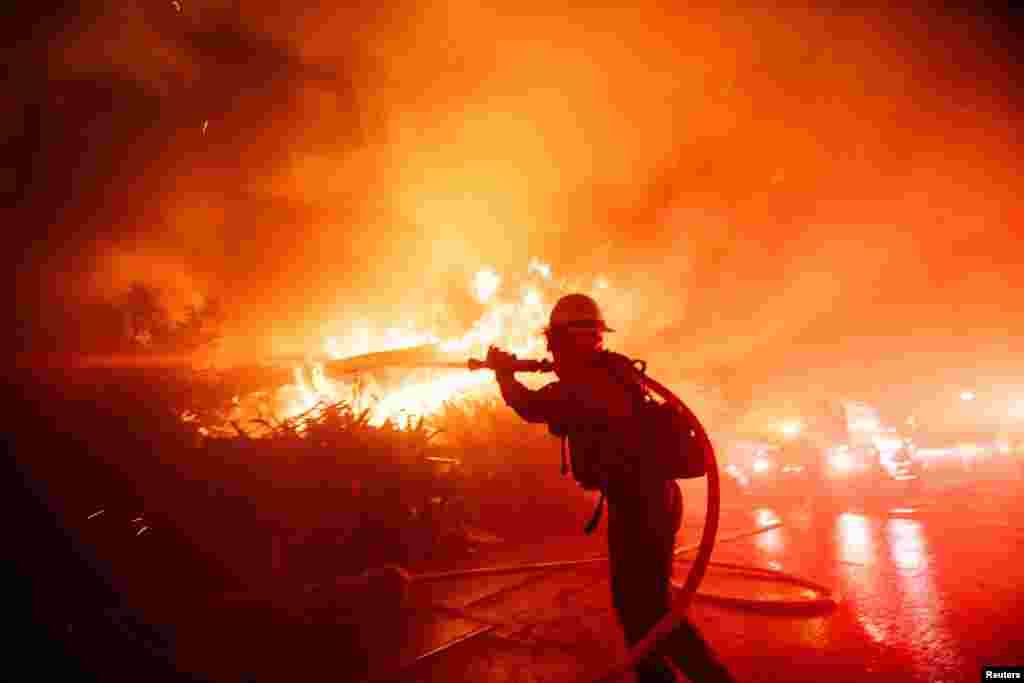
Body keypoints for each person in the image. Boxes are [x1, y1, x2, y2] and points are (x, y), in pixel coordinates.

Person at [487, 293, 737, 683]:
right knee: (643, 607)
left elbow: (532, 406)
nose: (552, 349)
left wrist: (504, 374)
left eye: (555, 341)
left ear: (562, 339)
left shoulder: (586, 383)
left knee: (646, 610)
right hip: (648, 498)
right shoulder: (605, 373)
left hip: (642, 503)